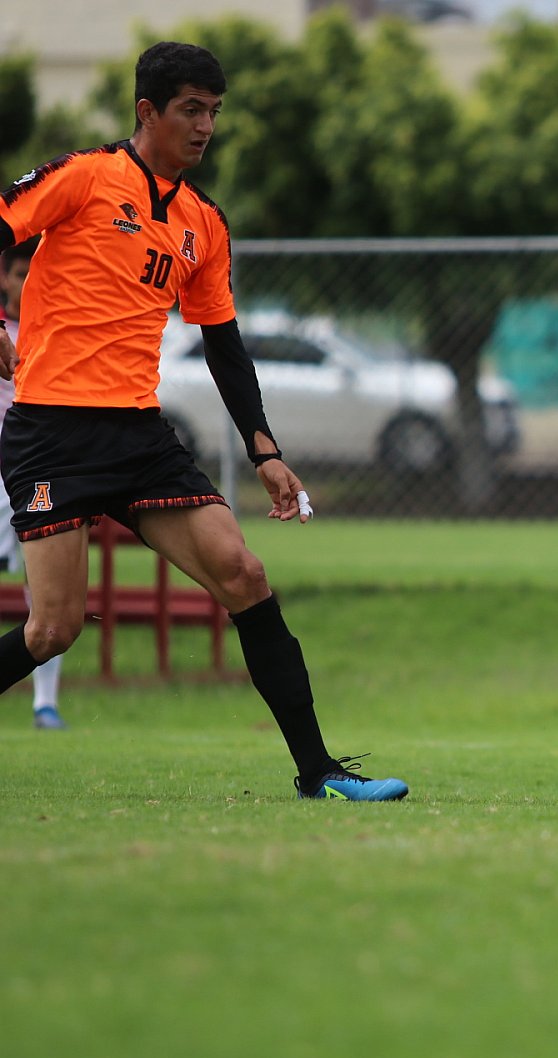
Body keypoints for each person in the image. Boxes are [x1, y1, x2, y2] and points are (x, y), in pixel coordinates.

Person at [0, 41, 407, 800]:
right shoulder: (84, 177)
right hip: (52, 431)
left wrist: (265, 451)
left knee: (245, 574)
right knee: (53, 630)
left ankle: (319, 773)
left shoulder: (202, 222)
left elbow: (223, 343)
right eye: (191, 109)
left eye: (214, 112)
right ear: (146, 110)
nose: (205, 127)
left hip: (139, 434)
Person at [1, 237, 67, 729]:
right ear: (5, 278)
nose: (25, 284)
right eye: (19, 274)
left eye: (33, 274)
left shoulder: (54, 331)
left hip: (36, 472)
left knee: (45, 593)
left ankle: (45, 703)